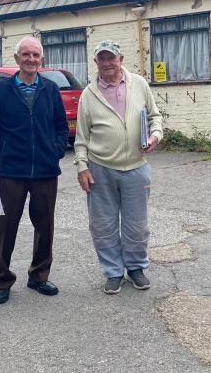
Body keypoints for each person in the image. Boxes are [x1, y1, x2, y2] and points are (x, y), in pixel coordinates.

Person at [0, 37, 69, 305]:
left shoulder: (51, 89)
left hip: (45, 171)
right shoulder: (2, 89)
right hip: (11, 171)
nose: (31, 59)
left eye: (36, 55)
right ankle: (3, 279)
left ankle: (39, 275)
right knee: (6, 226)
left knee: (45, 226)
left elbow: (61, 126)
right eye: (26, 54)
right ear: (17, 59)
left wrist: (55, 151)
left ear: (42, 60)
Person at [74, 40, 163, 294]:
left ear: (120, 59)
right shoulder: (88, 96)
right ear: (95, 63)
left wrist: (155, 136)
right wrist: (82, 167)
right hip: (100, 168)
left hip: (136, 167)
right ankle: (113, 271)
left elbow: (155, 117)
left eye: (110, 58)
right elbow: (81, 138)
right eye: (101, 59)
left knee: (137, 224)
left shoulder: (139, 84)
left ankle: (135, 268)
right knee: (103, 224)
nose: (106, 63)